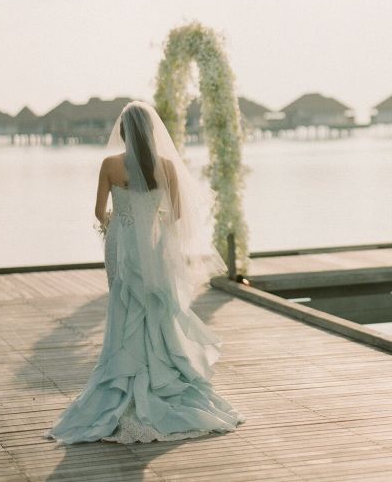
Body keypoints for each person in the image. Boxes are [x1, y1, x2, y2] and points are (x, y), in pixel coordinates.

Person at [46, 101, 244, 443]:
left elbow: (99, 212)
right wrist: (152, 222)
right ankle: (158, 373)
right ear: (152, 132)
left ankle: (123, 375)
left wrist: (117, 224)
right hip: (152, 246)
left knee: (123, 306)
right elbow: (177, 214)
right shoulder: (166, 166)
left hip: (121, 246)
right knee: (154, 308)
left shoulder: (110, 164)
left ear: (123, 132)